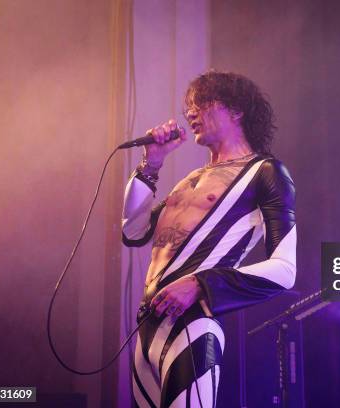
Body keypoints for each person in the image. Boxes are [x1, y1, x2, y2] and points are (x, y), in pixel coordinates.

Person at [121, 71, 296, 408]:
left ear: (235, 110)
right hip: (146, 330)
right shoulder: (188, 180)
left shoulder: (265, 172)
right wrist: (151, 163)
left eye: (201, 103)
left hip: (192, 325)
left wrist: (201, 284)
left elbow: (285, 270)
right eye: (188, 106)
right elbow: (133, 232)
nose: (190, 113)